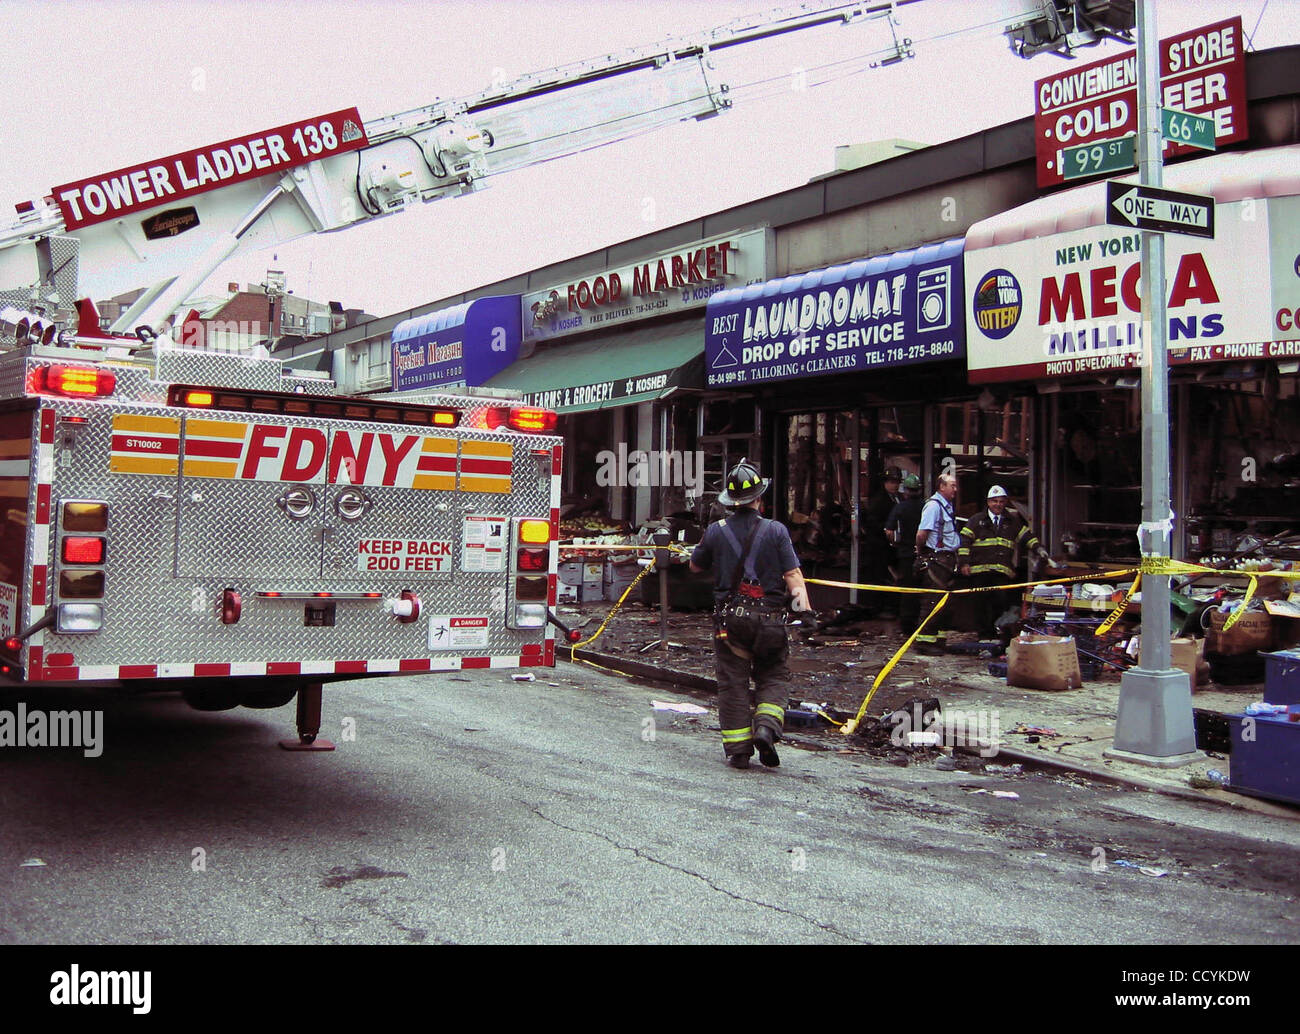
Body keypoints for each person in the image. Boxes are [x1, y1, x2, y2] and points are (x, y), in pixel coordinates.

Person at [691, 459, 810, 770]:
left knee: (733, 681)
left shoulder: (715, 531)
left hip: (730, 624)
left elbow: (694, 566)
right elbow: (793, 574)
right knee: (772, 673)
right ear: (760, 498)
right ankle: (767, 728)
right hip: (770, 621)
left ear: (730, 502)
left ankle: (739, 750)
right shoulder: (777, 530)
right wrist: (806, 611)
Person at [959, 485, 1051, 639]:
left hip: (1001, 573)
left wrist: (1038, 548)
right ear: (988, 502)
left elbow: (1026, 536)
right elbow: (964, 541)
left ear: (1005, 502)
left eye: (1001, 501)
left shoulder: (1011, 521)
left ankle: (997, 634)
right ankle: (983, 635)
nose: (998, 504)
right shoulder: (976, 520)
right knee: (980, 605)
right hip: (979, 572)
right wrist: (964, 563)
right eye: (994, 501)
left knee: (999, 604)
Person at [912, 473, 961, 653]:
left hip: (947, 560)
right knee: (932, 602)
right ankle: (924, 643)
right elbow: (921, 534)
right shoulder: (933, 506)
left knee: (945, 604)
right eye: (952, 486)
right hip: (936, 560)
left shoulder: (946, 507)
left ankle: (937, 640)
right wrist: (921, 553)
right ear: (942, 487)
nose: (955, 489)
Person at [885, 473, 925, 635]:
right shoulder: (926, 507)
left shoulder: (900, 507)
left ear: (906, 490)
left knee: (908, 591)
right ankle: (920, 625)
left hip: (906, 555)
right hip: (923, 555)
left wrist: (895, 543)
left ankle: (907, 627)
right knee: (923, 590)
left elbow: (889, 531)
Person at [861, 470, 903, 611]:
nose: (895, 485)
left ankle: (891, 605)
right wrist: (886, 531)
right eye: (892, 482)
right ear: (885, 483)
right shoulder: (879, 500)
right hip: (880, 547)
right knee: (881, 577)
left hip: (895, 546)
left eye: (897, 482)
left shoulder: (899, 498)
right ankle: (881, 607)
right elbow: (871, 523)